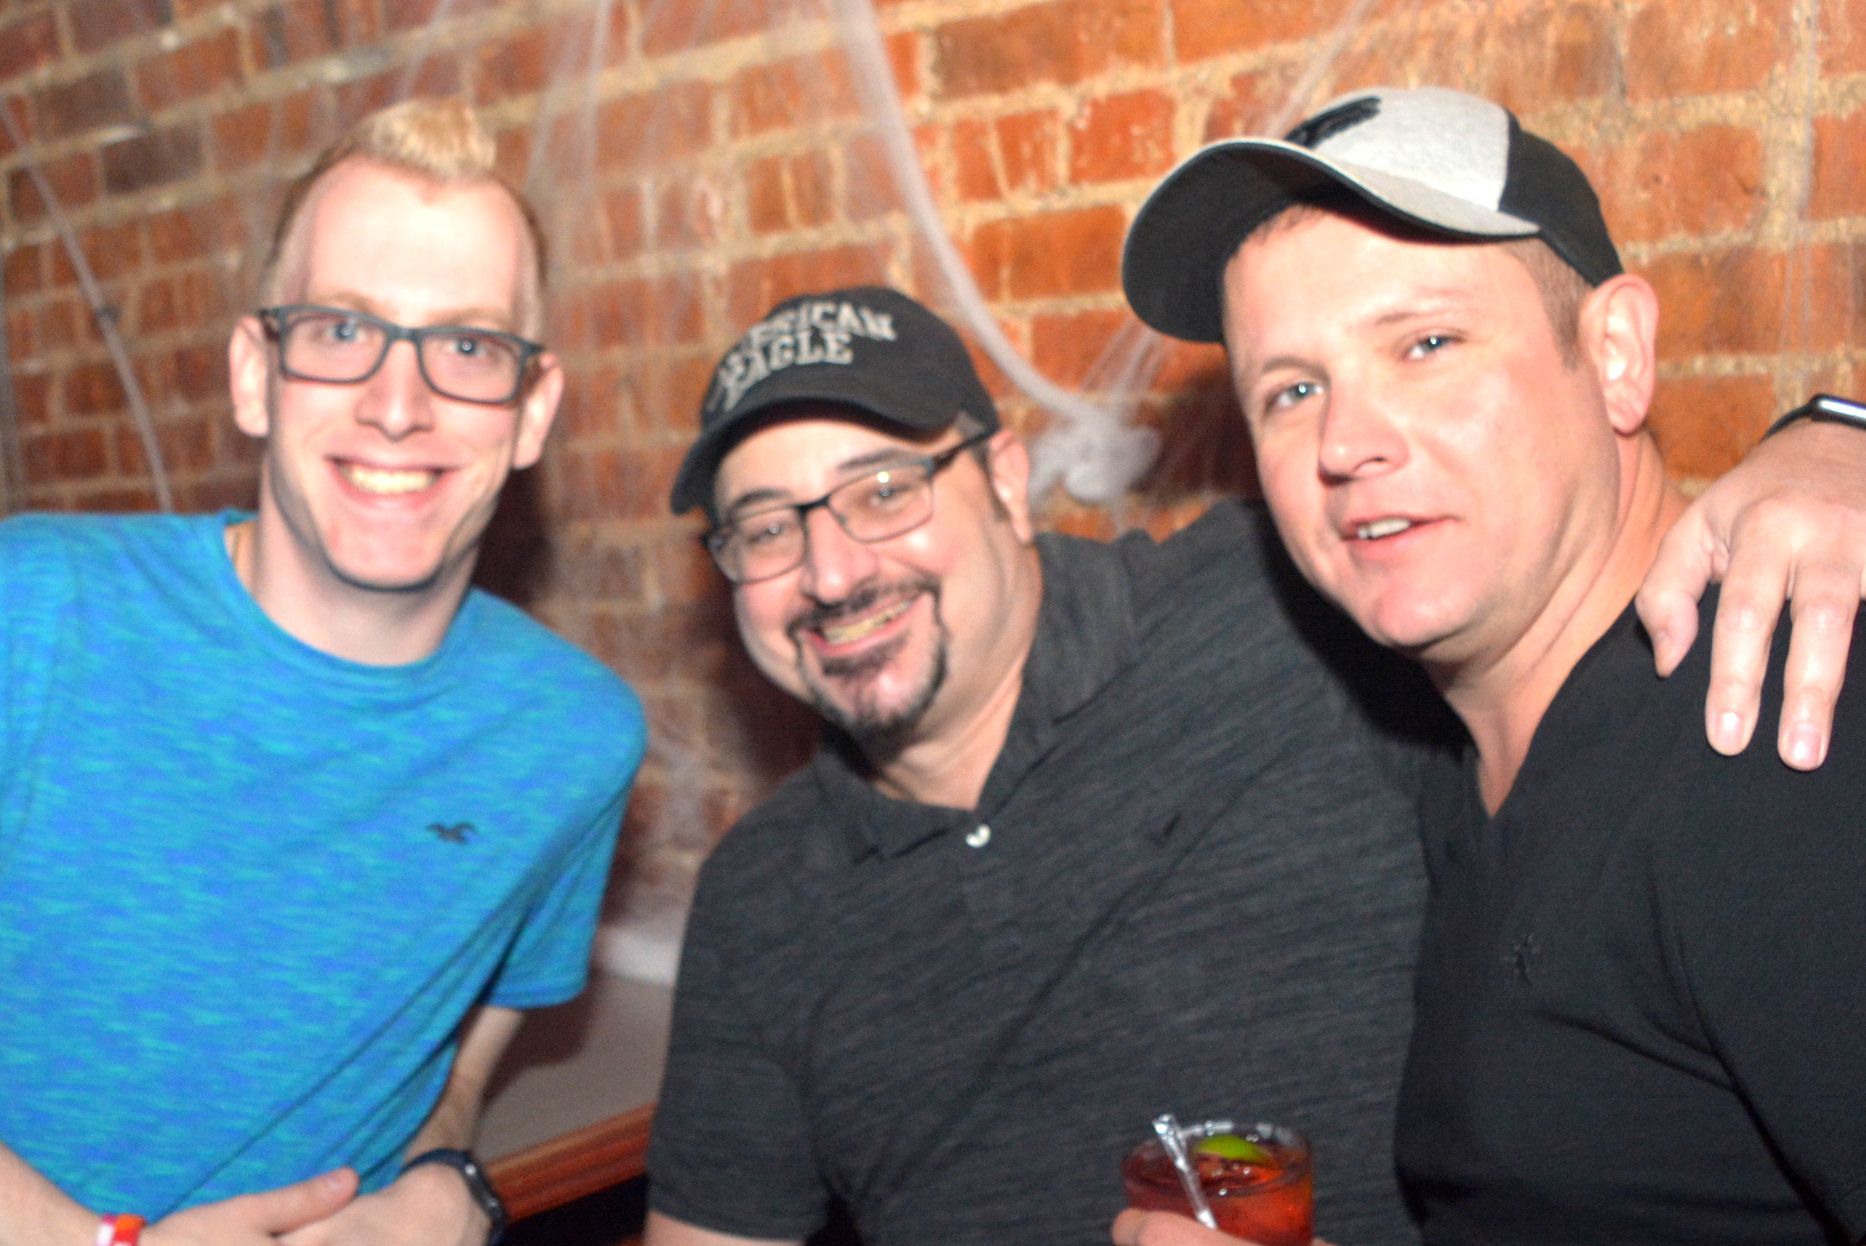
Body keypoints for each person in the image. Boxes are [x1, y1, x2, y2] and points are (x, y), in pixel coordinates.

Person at [645, 277, 1866, 1246]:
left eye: (883, 490)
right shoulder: (761, 901)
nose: (834, 572)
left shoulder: (1279, 613)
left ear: (1006, 481)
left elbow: (1559, 563)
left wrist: (1833, 441)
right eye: (765, 528)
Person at [1119, 83, 1866, 1243]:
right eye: (1294, 389)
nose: (1345, 443)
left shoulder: (1775, 735)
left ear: (1615, 355)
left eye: (1426, 343)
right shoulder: (1467, 754)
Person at [0, 98, 646, 1246]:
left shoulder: (571, 741)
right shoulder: (34, 607)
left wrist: (446, 1189)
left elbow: (460, 1060)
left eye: (467, 347)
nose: (398, 407)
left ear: (531, 410)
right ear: (256, 374)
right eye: (343, 331)